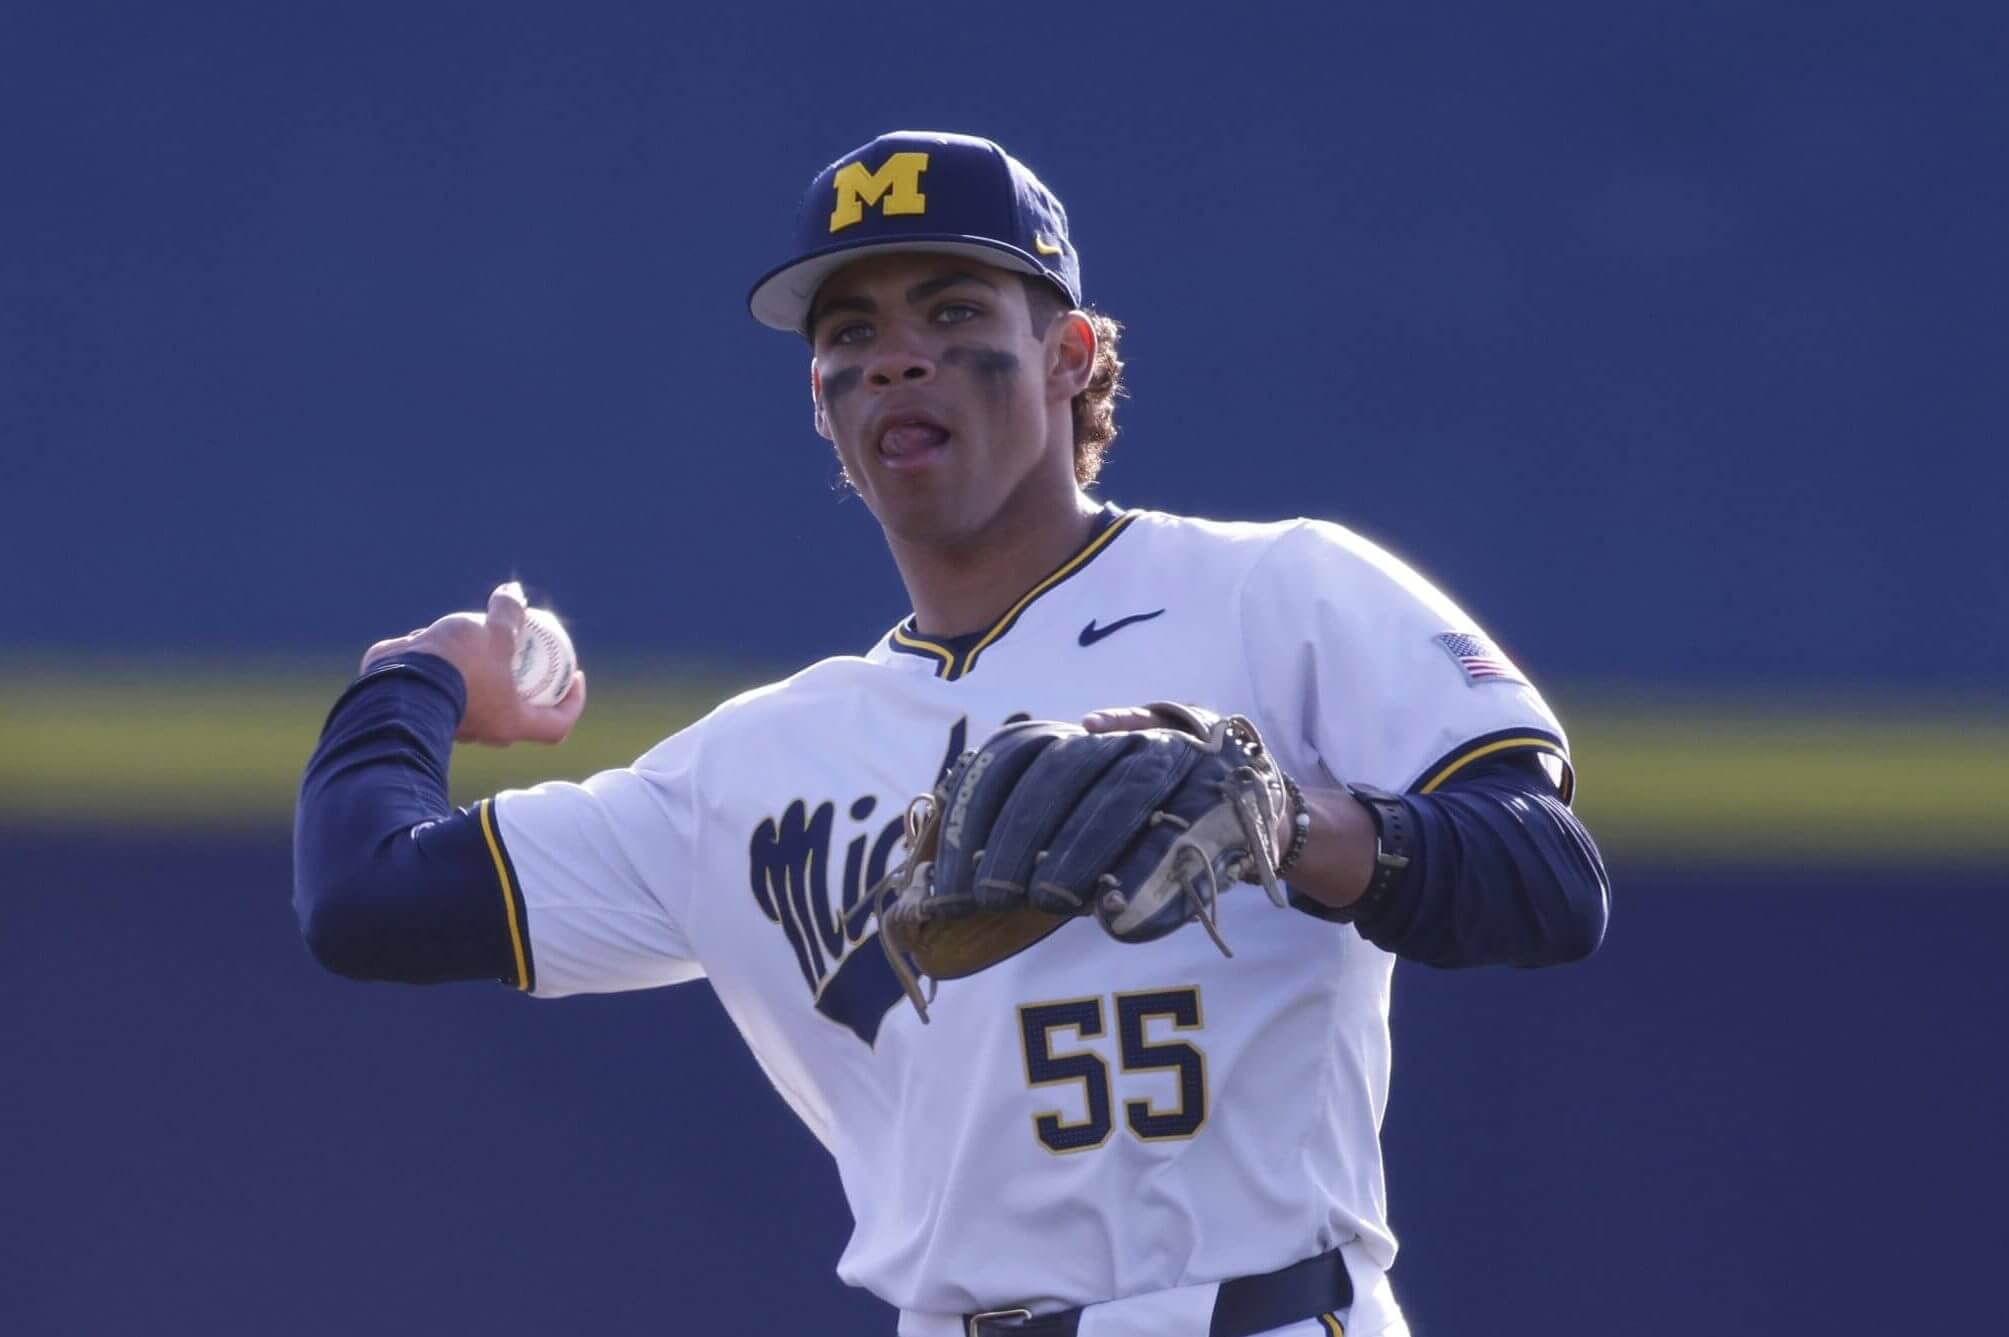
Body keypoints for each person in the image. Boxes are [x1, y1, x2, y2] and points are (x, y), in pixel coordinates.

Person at [295, 129, 1610, 1337]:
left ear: (1071, 355)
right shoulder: (754, 767)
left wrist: (1282, 819)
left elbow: (1547, 875)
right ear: (822, 402)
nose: (895, 356)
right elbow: (366, 900)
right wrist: (416, 676)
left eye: (954, 310)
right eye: (850, 331)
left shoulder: (1278, 595)